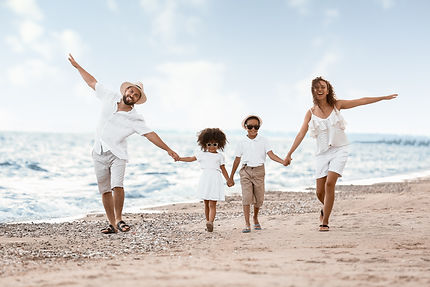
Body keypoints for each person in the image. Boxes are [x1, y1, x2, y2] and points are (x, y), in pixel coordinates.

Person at [68, 54, 179, 234]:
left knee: (117, 186)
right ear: (125, 90)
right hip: (98, 152)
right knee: (104, 191)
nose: (132, 95)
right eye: (131, 91)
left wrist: (169, 150)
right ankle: (112, 224)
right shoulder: (109, 97)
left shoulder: (135, 118)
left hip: (118, 154)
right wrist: (77, 66)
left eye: (136, 95)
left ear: (137, 100)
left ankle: (119, 219)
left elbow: (150, 134)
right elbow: (92, 82)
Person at [285, 76, 397, 231]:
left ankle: (325, 221)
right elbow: (300, 134)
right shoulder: (310, 113)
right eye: (316, 87)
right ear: (313, 91)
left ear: (328, 90)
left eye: (323, 87)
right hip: (322, 153)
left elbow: (361, 100)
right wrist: (289, 153)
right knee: (319, 192)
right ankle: (325, 208)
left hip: (340, 149)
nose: (320, 90)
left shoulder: (337, 105)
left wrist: (382, 98)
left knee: (330, 183)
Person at [229, 115, 287, 233]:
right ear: (246, 127)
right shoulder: (241, 142)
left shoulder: (264, 140)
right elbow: (237, 160)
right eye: (250, 127)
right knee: (246, 197)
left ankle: (255, 217)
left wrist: (283, 161)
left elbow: (271, 155)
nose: (253, 129)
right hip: (245, 171)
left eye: (256, 127)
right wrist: (230, 177)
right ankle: (247, 223)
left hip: (259, 171)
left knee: (259, 198)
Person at [178, 128, 232, 232]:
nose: (212, 147)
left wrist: (228, 180)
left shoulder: (220, 156)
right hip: (205, 179)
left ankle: (211, 222)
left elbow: (223, 169)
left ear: (219, 144)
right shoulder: (201, 154)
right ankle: (208, 222)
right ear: (204, 144)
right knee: (206, 203)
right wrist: (180, 158)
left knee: (212, 203)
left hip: (215, 179)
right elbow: (190, 158)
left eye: (215, 144)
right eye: (209, 144)